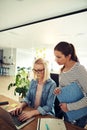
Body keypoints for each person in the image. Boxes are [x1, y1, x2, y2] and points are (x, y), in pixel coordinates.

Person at [53, 41, 87, 128]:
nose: (56, 60)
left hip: (79, 113)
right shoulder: (62, 69)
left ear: (68, 56)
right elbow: (64, 87)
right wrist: (59, 90)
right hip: (67, 112)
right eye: (55, 56)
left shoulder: (79, 69)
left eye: (59, 57)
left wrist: (69, 107)